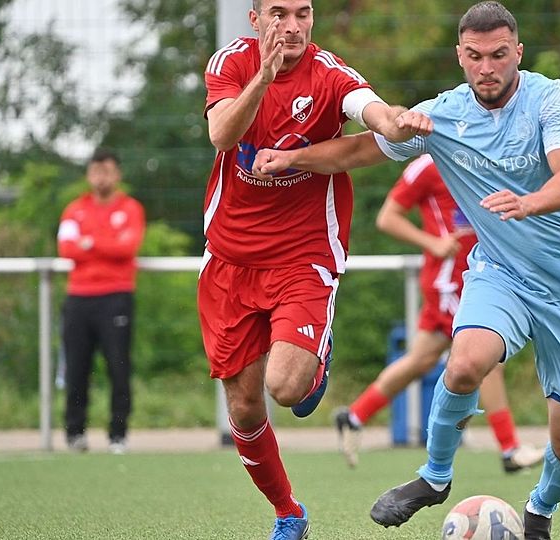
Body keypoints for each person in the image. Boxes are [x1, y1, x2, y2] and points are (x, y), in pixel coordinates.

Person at [253, 3, 560, 537]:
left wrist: (528, 203)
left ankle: (540, 513)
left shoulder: (551, 98)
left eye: (498, 55)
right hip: (501, 274)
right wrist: (292, 159)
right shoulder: (442, 115)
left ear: (517, 52)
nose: (487, 67)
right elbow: (359, 150)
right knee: (464, 362)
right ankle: (434, 477)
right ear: (460, 57)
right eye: (475, 56)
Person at [199, 1, 431, 538]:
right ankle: (288, 512)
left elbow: (372, 112)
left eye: (303, 13)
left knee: (286, 387)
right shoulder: (230, 65)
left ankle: (313, 359)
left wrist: (400, 120)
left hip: (304, 257)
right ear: (255, 20)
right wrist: (262, 77)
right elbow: (222, 136)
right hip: (229, 262)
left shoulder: (329, 74)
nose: (293, 26)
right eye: (278, 14)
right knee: (245, 404)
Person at [334, 155, 543, 474]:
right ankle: (509, 450)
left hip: (477, 276)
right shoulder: (428, 165)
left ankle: (354, 417)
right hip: (449, 280)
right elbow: (387, 217)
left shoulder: (487, 153)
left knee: (421, 359)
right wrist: (432, 242)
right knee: (487, 361)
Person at [56, 148, 145, 455]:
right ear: (88, 175)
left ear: (117, 174)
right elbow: (66, 248)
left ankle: (117, 434)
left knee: (118, 366)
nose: (101, 176)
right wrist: (105, 243)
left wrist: (90, 242)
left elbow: (127, 247)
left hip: (116, 298)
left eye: (106, 170)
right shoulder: (73, 209)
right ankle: (74, 432)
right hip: (78, 298)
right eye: (95, 170)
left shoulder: (131, 208)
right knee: (77, 368)